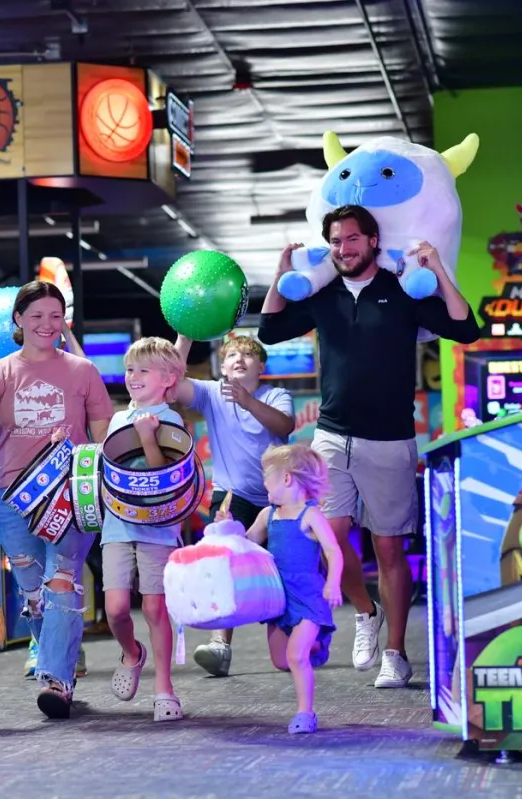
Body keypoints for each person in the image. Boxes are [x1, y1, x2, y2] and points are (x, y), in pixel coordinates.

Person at [258, 204, 481, 688]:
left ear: (374, 242)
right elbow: (269, 330)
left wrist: (438, 268)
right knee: (327, 534)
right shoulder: (324, 295)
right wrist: (280, 274)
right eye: (336, 241)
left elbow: (466, 327)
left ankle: (396, 653)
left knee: (388, 549)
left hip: (391, 439)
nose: (344, 248)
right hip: (332, 436)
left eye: (353, 239)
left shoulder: (401, 291)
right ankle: (366, 610)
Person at [0, 281, 112, 719]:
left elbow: (102, 433)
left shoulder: (83, 371)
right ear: (18, 320)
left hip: (68, 494)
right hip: (13, 495)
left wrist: (106, 475)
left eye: (55, 315)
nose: (47, 324)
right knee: (32, 594)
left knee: (62, 580)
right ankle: (52, 648)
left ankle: (56, 681)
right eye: (36, 316)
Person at [173, 333, 295, 676]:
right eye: (232, 356)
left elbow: (285, 425)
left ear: (261, 366)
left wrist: (247, 401)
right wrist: (184, 337)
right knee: (223, 565)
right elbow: (172, 382)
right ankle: (219, 645)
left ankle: (289, 638)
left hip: (278, 500)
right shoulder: (212, 393)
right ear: (222, 367)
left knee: (284, 571)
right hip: (233, 496)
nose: (239, 359)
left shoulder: (276, 395)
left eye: (248, 355)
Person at [102, 337, 187, 721]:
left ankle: (164, 690)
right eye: (130, 369)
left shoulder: (171, 420)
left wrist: (150, 436)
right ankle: (133, 653)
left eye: (143, 370)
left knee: (155, 607)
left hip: (159, 526)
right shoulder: (119, 419)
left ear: (168, 378)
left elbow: (163, 474)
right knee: (116, 608)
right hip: (118, 522)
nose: (133, 376)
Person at [238, 444, 342, 734]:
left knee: (296, 656)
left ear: (286, 479)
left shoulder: (311, 516)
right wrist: (228, 530)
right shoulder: (266, 515)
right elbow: (247, 542)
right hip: (279, 600)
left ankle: (305, 713)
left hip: (308, 597)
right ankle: (316, 645)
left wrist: (333, 582)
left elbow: (333, 550)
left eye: (267, 477)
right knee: (281, 660)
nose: (263, 484)